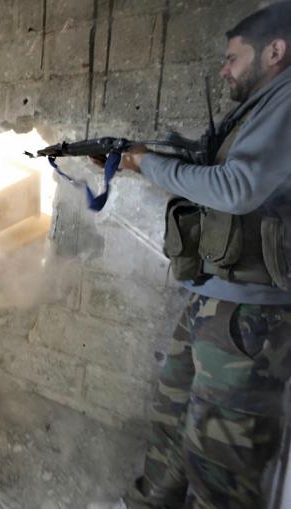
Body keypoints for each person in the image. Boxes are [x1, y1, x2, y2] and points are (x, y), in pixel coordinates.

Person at [89, 2, 291, 508]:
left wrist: (146, 163)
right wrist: (134, 157)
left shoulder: (287, 102)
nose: (224, 70)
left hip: (250, 314)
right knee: (172, 416)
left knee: (220, 462)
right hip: (214, 297)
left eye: (232, 58)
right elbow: (210, 166)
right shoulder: (259, 108)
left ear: (275, 51)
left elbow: (237, 188)